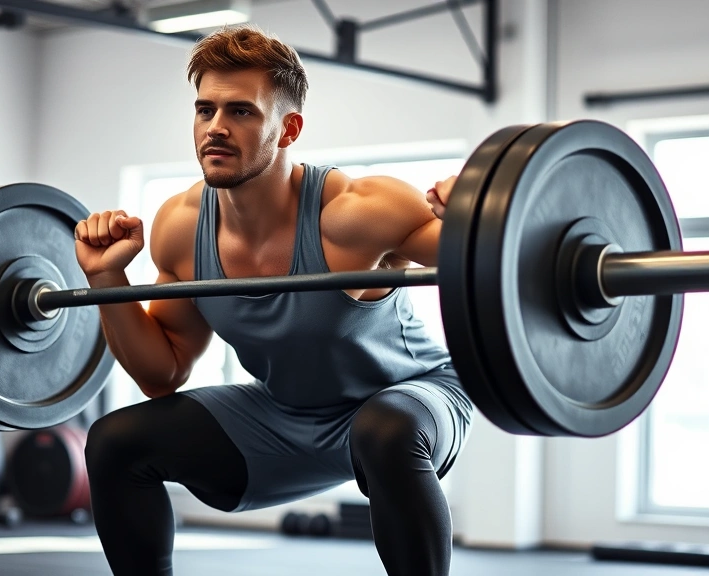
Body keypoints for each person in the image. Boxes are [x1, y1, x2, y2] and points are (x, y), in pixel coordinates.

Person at [74, 24, 473, 576]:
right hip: (284, 414)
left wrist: (476, 215)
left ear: (288, 129)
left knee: (385, 430)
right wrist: (107, 279)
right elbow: (162, 373)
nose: (215, 128)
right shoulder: (181, 226)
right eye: (205, 109)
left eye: (241, 112)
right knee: (116, 442)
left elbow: (490, 265)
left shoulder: (359, 212)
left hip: (411, 398)